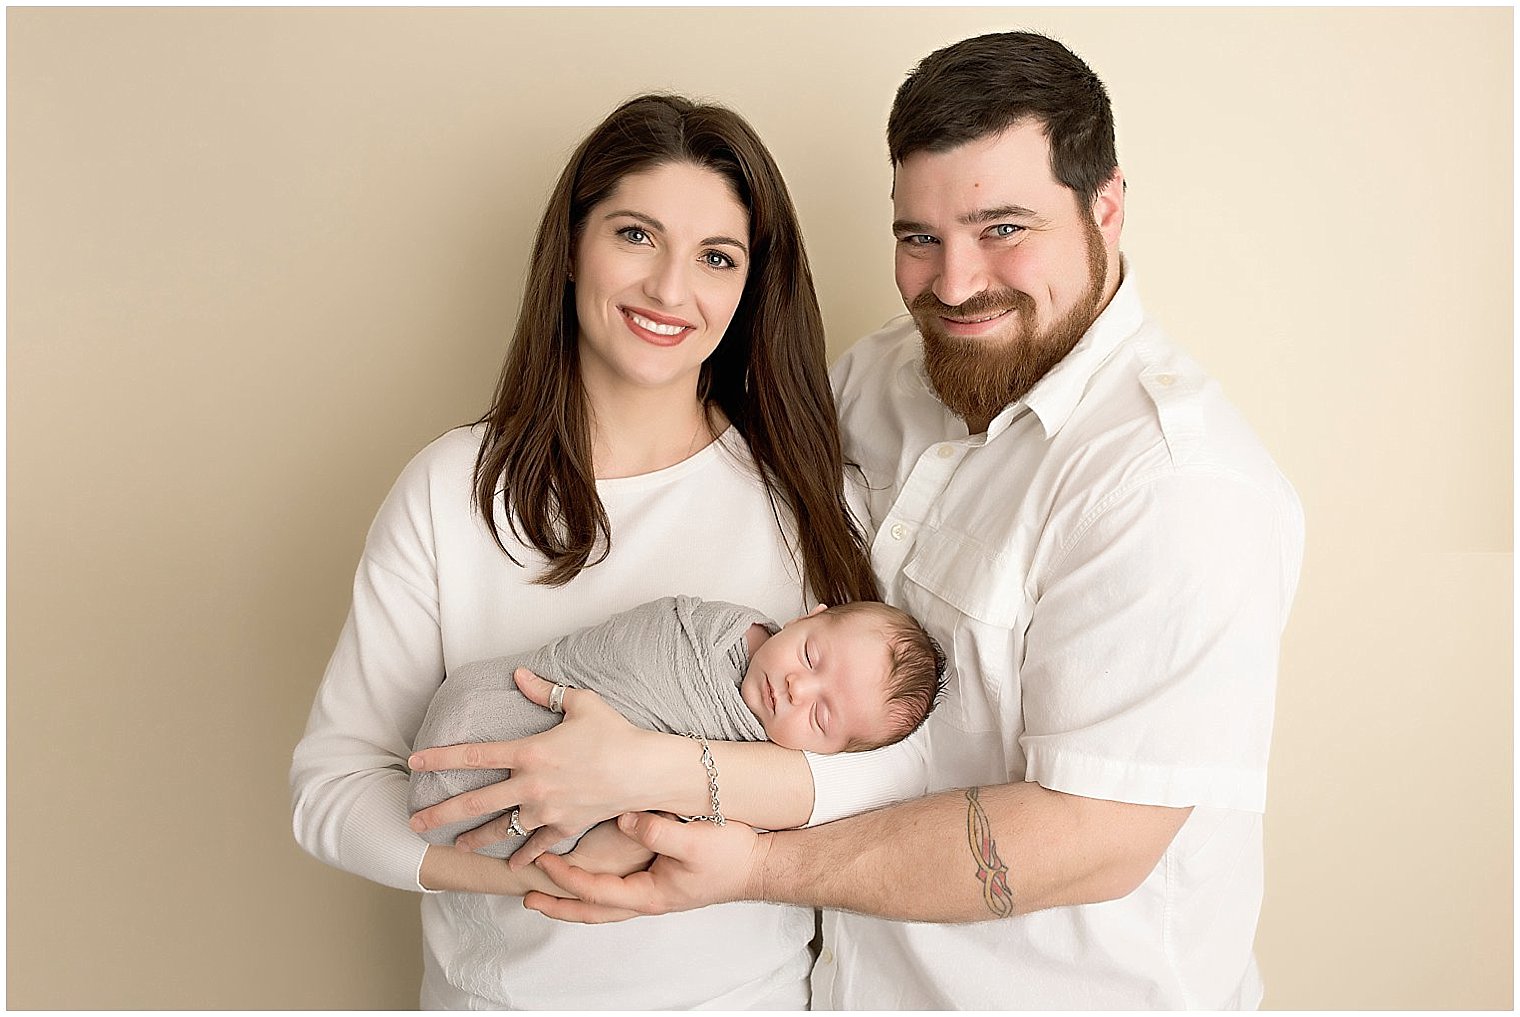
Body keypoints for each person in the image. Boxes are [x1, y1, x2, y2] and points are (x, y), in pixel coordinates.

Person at [408, 31, 1305, 1010]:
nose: (955, 284)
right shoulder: (876, 378)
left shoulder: (1174, 487)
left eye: (1003, 228)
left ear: (1107, 209)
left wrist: (744, 861)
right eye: (918, 237)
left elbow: (1090, 840)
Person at [289, 92, 883, 1009]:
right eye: (636, 236)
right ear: (571, 248)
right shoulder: (452, 491)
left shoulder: (810, 503)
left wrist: (651, 778)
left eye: (716, 257)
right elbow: (331, 790)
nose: (670, 289)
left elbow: (891, 769)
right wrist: (548, 871)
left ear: (749, 286)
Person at [408, 595, 944, 858]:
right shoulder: (705, 633)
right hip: (498, 697)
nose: (796, 689)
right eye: (809, 654)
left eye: (821, 716)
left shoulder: (763, 778)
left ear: (828, 756)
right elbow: (635, 655)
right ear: (807, 615)